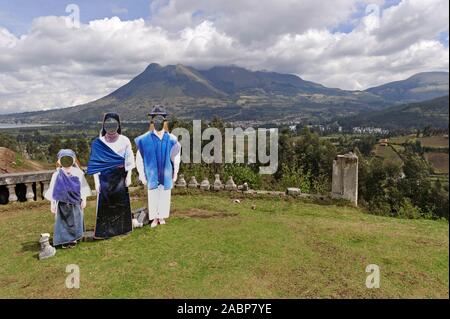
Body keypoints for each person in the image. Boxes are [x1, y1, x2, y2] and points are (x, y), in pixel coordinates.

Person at [87, 113, 135, 239]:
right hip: (105, 177)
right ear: (104, 125)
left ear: (118, 125)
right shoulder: (99, 143)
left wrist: (128, 176)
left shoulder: (125, 140)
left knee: (120, 203)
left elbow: (129, 159)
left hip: (120, 176)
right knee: (105, 204)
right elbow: (96, 163)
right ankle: (104, 231)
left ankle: (122, 228)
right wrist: (96, 182)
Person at [135, 105, 181, 228]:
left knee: (165, 194)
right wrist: (141, 174)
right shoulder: (144, 140)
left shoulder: (171, 139)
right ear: (152, 120)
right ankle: (154, 217)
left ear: (165, 121)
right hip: (152, 173)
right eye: (155, 119)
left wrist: (175, 173)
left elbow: (176, 157)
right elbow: (139, 158)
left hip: (166, 172)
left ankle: (162, 216)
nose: (158, 122)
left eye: (161, 119)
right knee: (153, 194)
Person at [44, 149, 91, 248]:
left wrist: (84, 199)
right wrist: (52, 204)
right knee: (63, 222)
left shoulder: (78, 173)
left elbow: (83, 186)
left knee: (75, 220)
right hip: (62, 202)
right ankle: (64, 240)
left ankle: (74, 238)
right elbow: (53, 189)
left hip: (75, 202)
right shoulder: (57, 174)